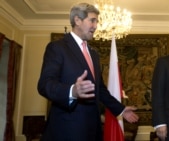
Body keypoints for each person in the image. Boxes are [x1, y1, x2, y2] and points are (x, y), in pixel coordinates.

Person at [37, 3, 139, 141]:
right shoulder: (58, 47)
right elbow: (45, 84)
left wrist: (120, 109)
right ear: (78, 20)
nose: (96, 26)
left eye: (97, 21)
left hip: (93, 130)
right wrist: (72, 91)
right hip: (67, 130)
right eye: (92, 20)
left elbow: (100, 89)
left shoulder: (93, 54)